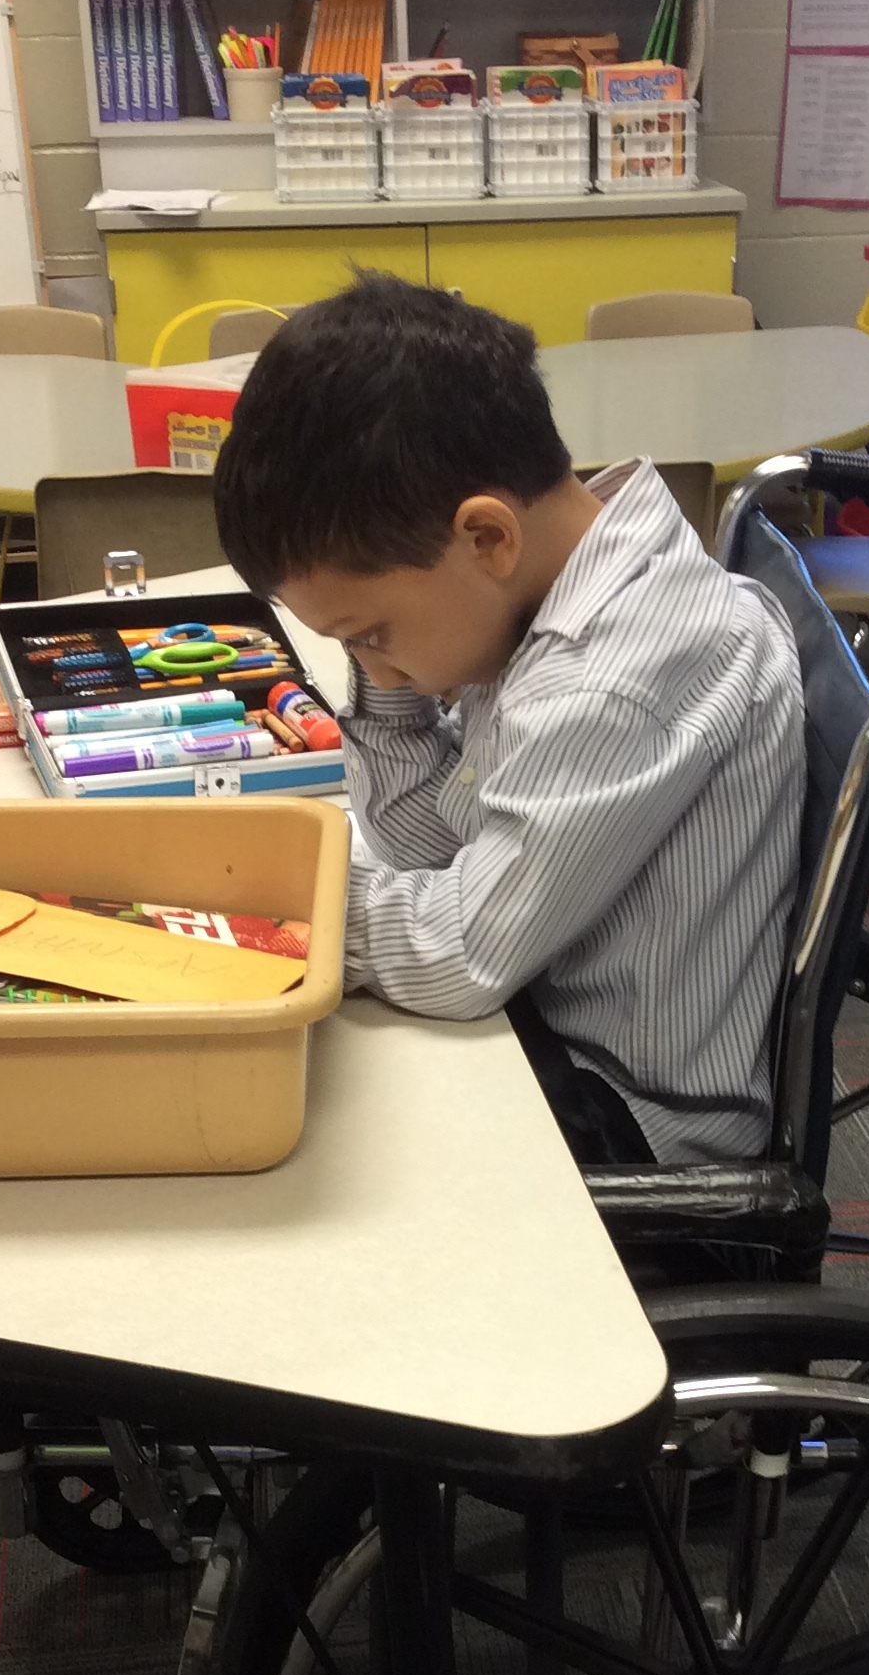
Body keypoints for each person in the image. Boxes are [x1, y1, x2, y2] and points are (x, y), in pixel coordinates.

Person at [214, 272, 804, 1165]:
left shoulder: (612, 679)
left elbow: (460, 954)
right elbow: (430, 849)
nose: (375, 665)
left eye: (372, 634)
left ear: (487, 536)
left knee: (290, 1151)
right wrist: (393, 682)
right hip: (541, 1015)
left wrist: (291, 903)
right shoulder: (538, 593)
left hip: (630, 1115)